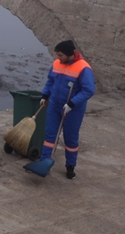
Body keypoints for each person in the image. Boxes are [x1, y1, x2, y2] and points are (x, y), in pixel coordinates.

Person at [38, 40, 95, 179]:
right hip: (55, 105)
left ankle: (70, 166)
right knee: (50, 136)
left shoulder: (83, 68)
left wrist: (72, 103)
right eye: (58, 55)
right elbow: (51, 81)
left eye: (61, 55)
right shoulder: (57, 64)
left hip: (72, 109)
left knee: (70, 138)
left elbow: (89, 90)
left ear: (69, 55)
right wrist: (45, 95)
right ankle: (43, 162)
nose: (58, 58)